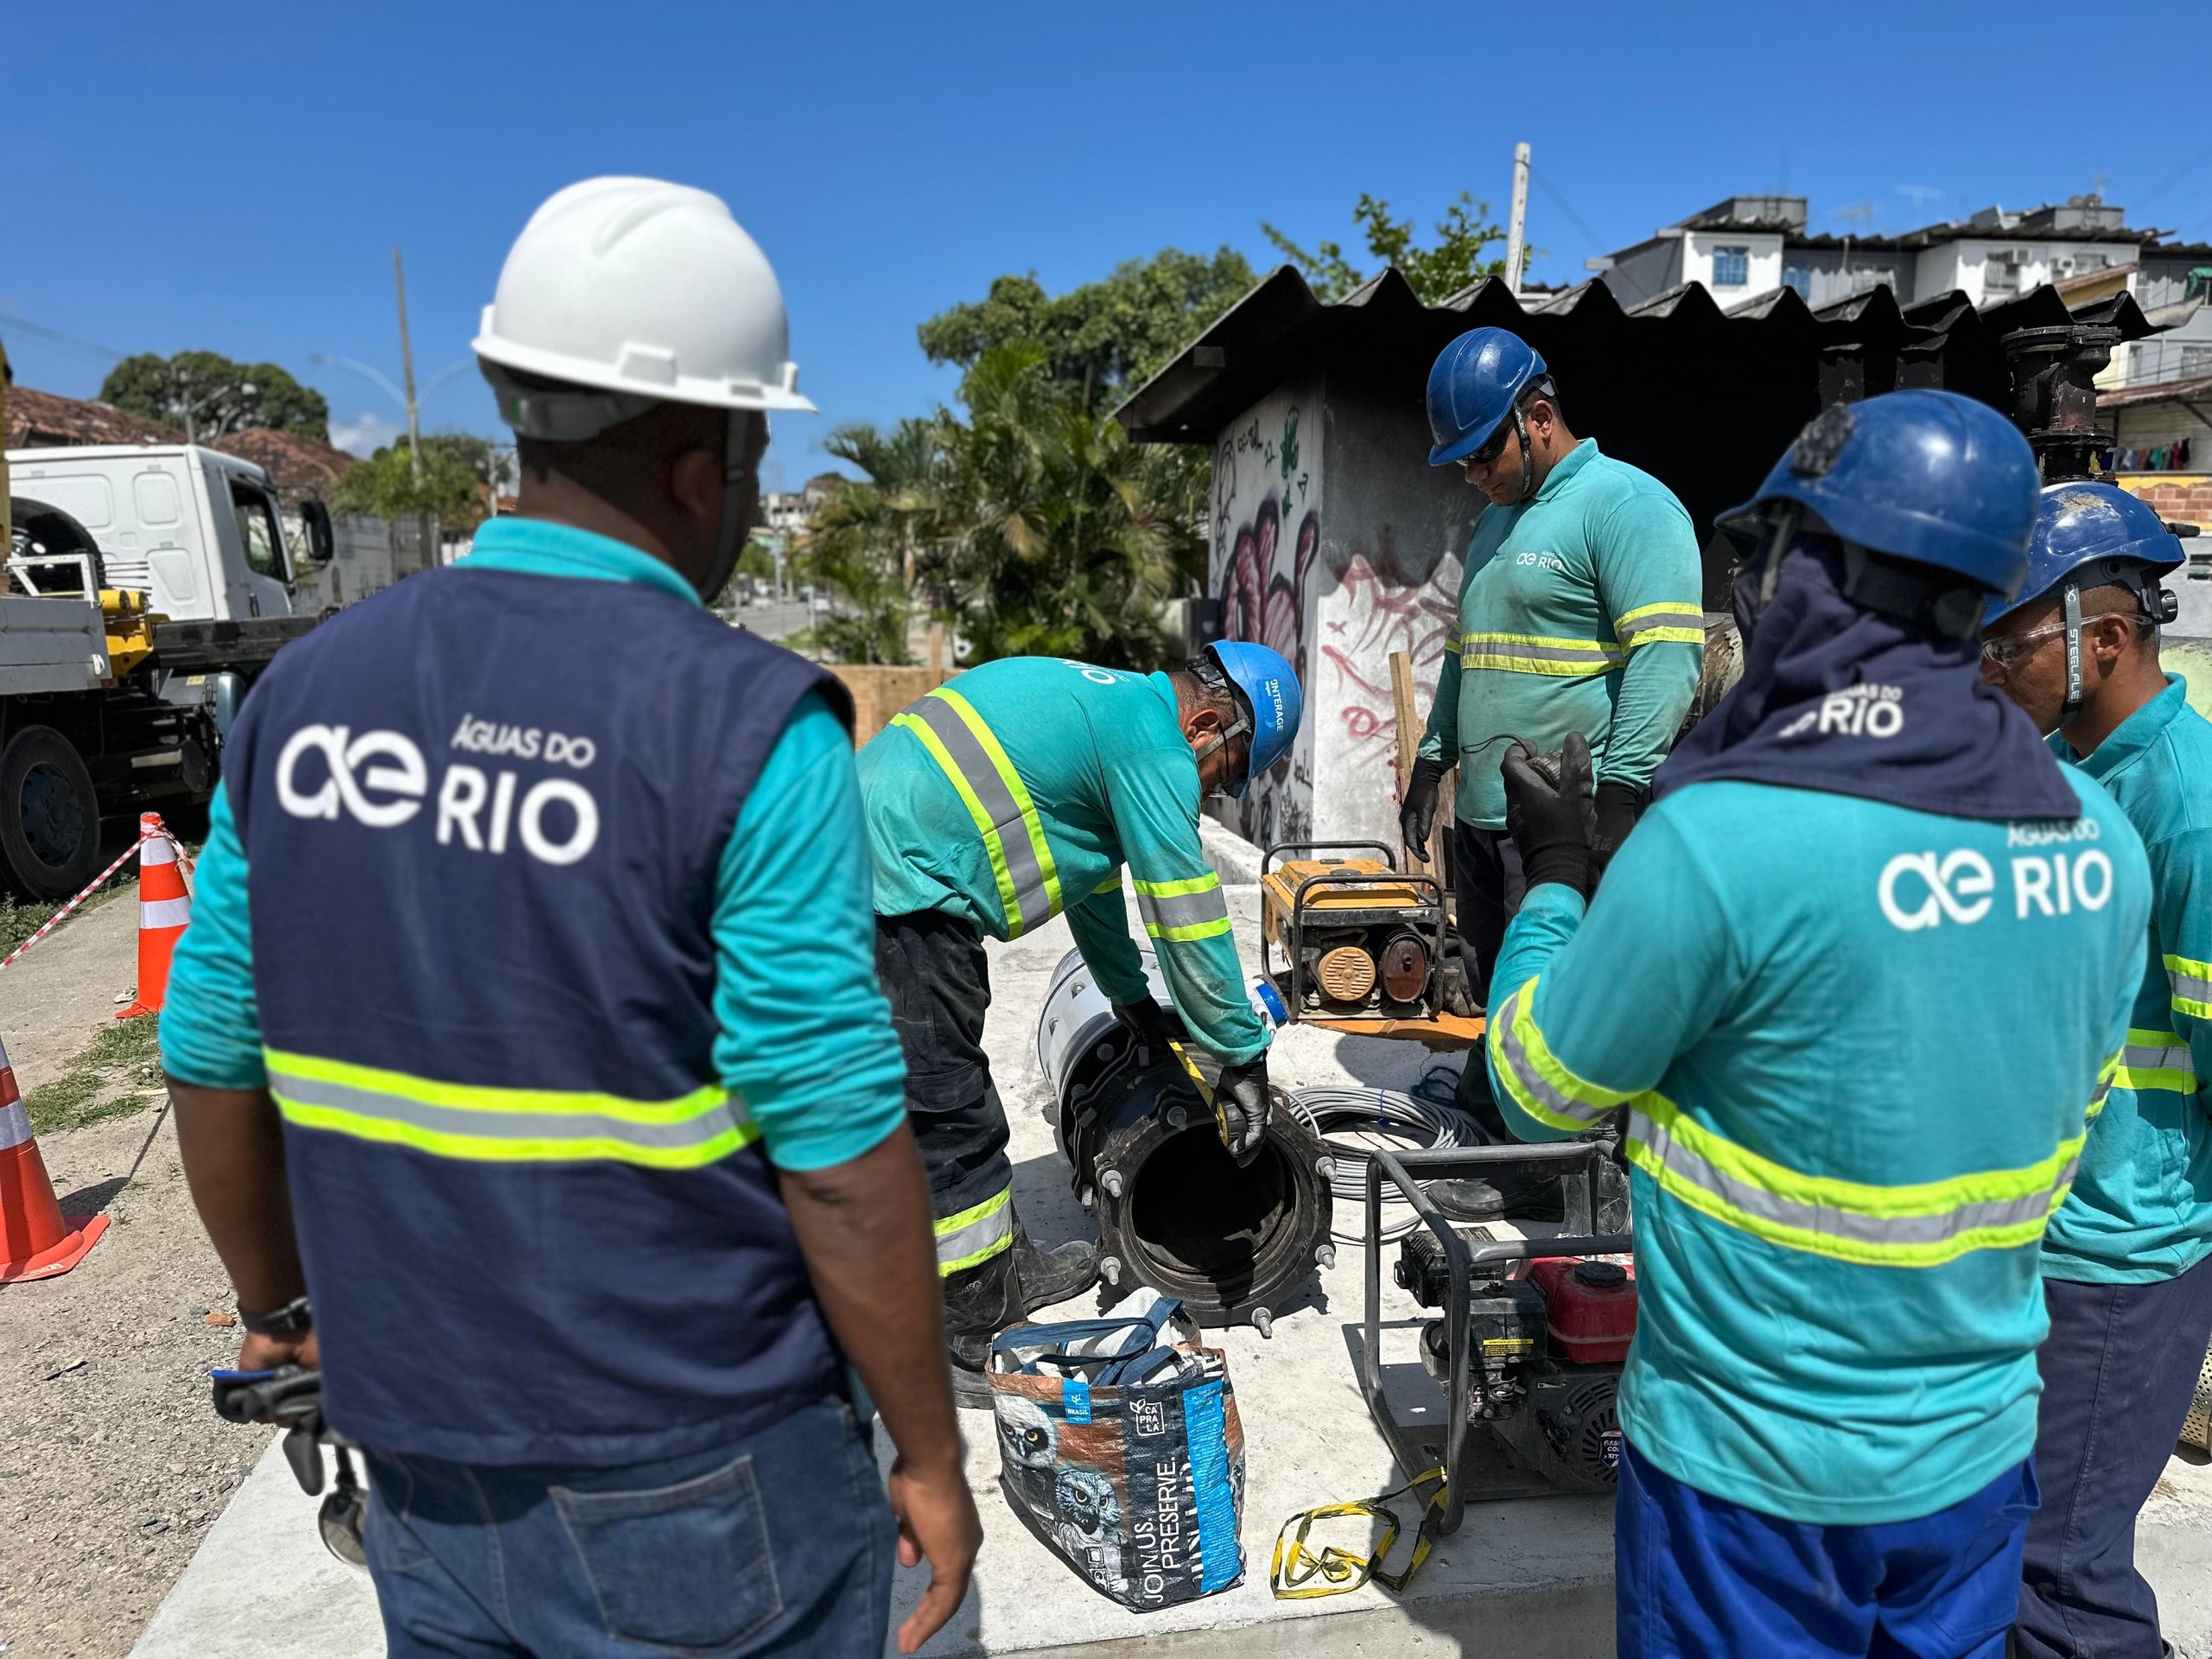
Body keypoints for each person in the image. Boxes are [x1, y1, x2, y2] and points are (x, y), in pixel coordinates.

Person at [160, 177, 979, 1658]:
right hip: (702, 1462)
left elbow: (212, 1042)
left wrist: (276, 1301)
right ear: (700, 461)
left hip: (417, 1453)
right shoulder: (745, 723)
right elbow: (841, 1151)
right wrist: (928, 1450)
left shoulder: (305, 698)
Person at [1484, 391, 2152, 1659]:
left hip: (1750, 1477)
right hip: (1973, 1460)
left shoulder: (1728, 837)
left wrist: (1560, 878)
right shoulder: (2097, 838)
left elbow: (1535, 1089)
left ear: (1817, 572)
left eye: (1769, 557)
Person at [861, 643, 1300, 1402]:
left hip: (876, 854)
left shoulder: (1113, 712)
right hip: (897, 884)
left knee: (910, 1091)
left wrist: (1128, 996)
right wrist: (1240, 1056)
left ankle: (995, 1273)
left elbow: (1088, 879)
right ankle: (964, 1330)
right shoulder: (1155, 746)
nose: (1209, 796)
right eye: (1224, 777)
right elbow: (1186, 910)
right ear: (1205, 727)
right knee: (949, 1106)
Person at [1981, 482, 2212, 1659]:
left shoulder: (2191, 806)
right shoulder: (2057, 780)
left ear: (2103, 638)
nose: (1986, 667)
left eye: (2008, 641)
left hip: (2123, 1262)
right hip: (2043, 1241)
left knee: (2061, 1576)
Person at [1401, 326, 1703, 1141]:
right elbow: (1468, 654)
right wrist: (1434, 761)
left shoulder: (1628, 506)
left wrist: (1619, 795)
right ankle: (1495, 1089)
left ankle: (1560, 1157)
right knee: (1505, 968)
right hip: (1490, 816)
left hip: (1569, 822)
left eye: (1480, 453)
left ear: (1538, 417)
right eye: (1458, 461)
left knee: (1570, 996)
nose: (1470, 475)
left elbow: (1667, 657)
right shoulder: (1500, 521)